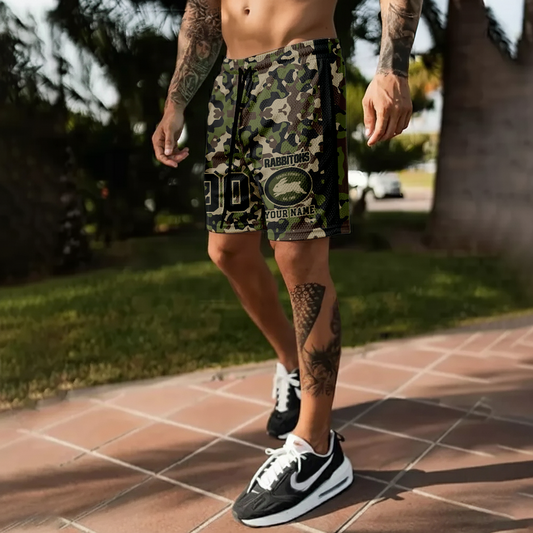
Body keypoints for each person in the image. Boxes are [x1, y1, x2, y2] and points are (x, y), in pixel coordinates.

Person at [152, 0, 422, 526]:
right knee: (226, 250)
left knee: (298, 255)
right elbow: (203, 13)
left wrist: (392, 67)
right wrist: (175, 102)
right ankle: (293, 366)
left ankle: (317, 447)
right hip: (231, 82)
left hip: (300, 68)